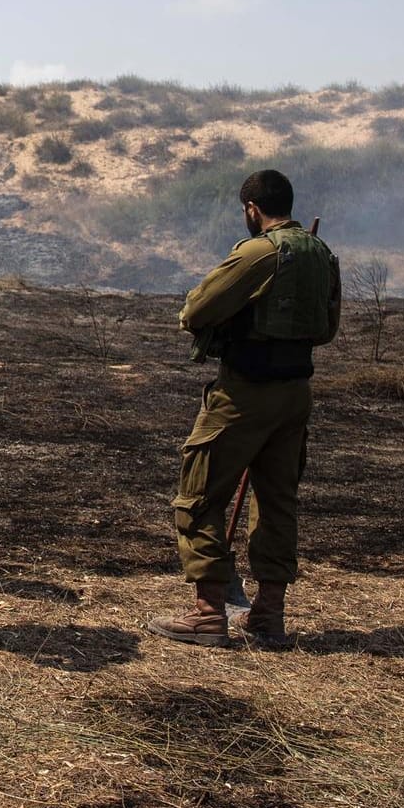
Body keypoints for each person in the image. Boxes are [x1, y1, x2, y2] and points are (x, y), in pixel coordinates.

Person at [148, 169, 340, 649]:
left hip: (245, 393)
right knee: (277, 503)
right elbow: (328, 329)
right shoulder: (322, 255)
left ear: (252, 210)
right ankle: (268, 616)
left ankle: (208, 614)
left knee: (198, 495)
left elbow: (196, 310)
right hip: (296, 393)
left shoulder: (259, 252)